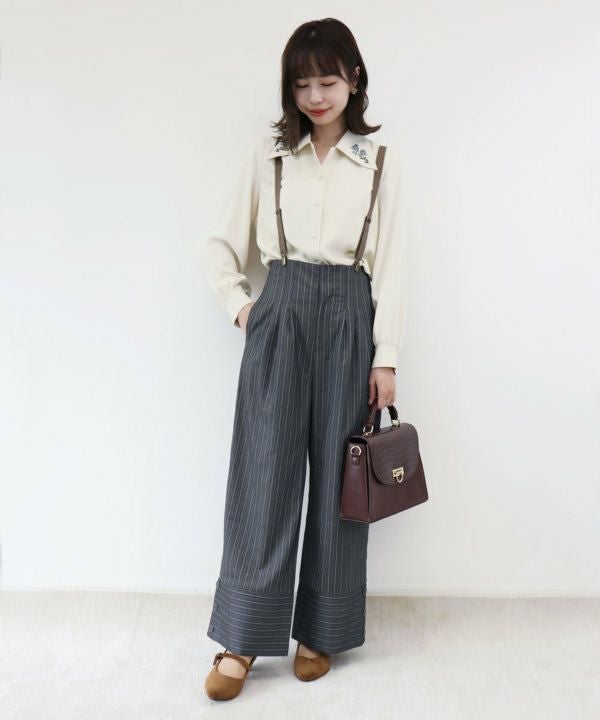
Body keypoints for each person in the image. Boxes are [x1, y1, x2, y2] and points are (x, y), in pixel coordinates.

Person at [203, 17, 407, 701]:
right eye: (301, 84)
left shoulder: (378, 163)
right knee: (264, 472)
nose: (315, 96)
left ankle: (322, 627)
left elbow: (394, 267)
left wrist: (386, 357)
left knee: (341, 481)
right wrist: (245, 309)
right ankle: (241, 636)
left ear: (354, 80)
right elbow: (221, 247)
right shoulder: (270, 156)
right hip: (282, 310)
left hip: (351, 314)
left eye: (327, 81)